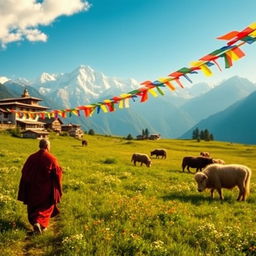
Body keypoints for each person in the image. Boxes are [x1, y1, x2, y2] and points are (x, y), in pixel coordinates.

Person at [18, 139, 62, 234]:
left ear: (40, 146)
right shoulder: (51, 159)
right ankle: (39, 223)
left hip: (31, 188)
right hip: (45, 190)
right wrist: (58, 187)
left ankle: (35, 223)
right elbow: (57, 174)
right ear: (47, 147)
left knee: (32, 207)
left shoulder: (31, 157)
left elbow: (24, 171)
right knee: (45, 208)